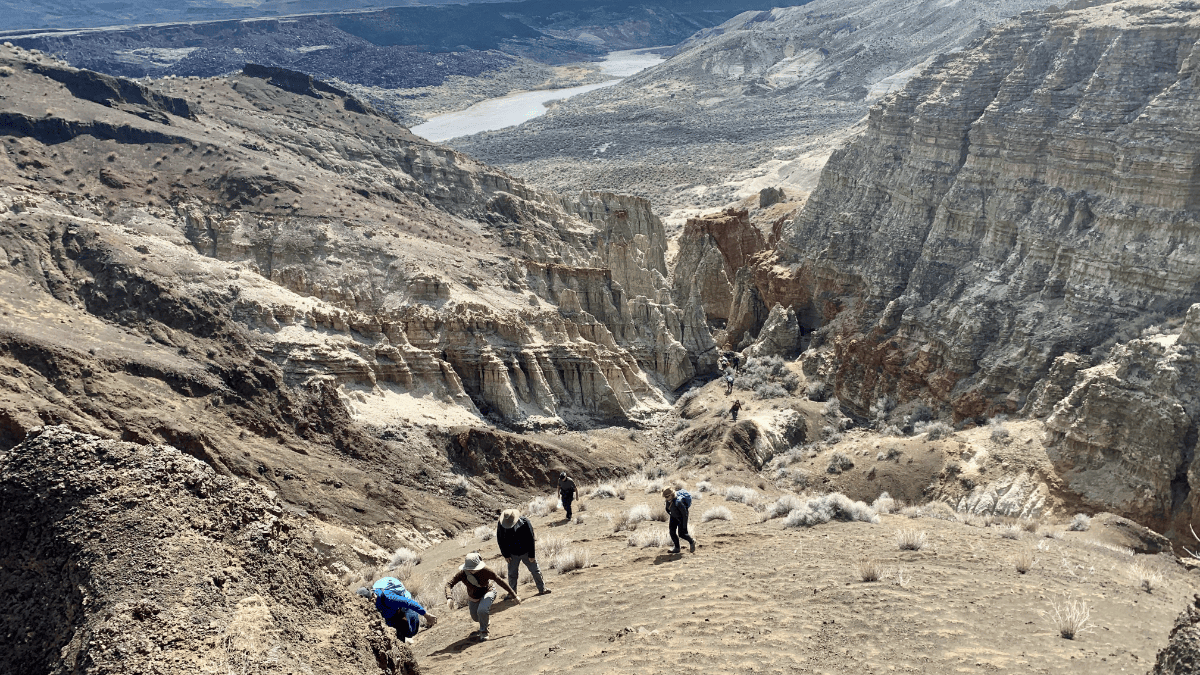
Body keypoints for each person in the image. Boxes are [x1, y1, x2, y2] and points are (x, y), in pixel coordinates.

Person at [445, 552, 519, 642]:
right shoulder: (462, 574)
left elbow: (500, 581)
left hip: (488, 591)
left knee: (482, 610)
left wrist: (514, 595)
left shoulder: (486, 571)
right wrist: (449, 597)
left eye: (474, 568)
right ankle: (485, 621)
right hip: (473, 596)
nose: (472, 570)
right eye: (470, 569)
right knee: (476, 617)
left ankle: (484, 632)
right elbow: (449, 584)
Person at [359, 577, 437, 643]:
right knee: (396, 635)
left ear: (372, 597)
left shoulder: (388, 597)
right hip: (390, 615)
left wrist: (427, 615)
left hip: (403, 608)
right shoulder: (369, 606)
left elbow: (409, 603)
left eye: (369, 601)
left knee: (411, 631)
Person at [496, 509, 549, 596]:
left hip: (526, 552)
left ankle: (542, 589)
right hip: (512, 554)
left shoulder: (525, 522)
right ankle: (512, 593)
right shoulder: (501, 524)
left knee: (535, 571)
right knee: (512, 574)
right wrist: (505, 554)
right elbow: (500, 540)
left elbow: (531, 538)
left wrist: (532, 555)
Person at [662, 487, 696, 554]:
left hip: (681, 518)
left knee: (682, 534)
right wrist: (672, 515)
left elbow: (685, 514)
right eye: (664, 496)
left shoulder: (678, 502)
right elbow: (667, 509)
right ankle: (677, 548)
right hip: (673, 517)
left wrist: (684, 525)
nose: (665, 498)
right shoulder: (668, 501)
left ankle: (692, 541)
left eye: (667, 496)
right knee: (672, 532)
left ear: (671, 495)